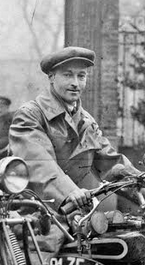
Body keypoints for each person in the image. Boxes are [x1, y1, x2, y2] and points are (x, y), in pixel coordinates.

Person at [9, 46, 138, 210]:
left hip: (72, 212)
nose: (75, 83)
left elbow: (110, 164)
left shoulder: (86, 121)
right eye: (68, 75)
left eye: (81, 76)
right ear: (51, 77)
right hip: (31, 215)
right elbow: (40, 164)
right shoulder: (30, 115)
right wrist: (70, 191)